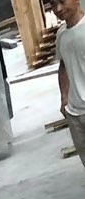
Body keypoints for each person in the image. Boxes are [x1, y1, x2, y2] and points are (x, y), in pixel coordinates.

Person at [53, 0, 85, 163]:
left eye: (62, 1)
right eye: (53, 4)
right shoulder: (61, 34)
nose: (58, 9)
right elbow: (63, 66)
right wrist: (64, 98)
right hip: (74, 112)